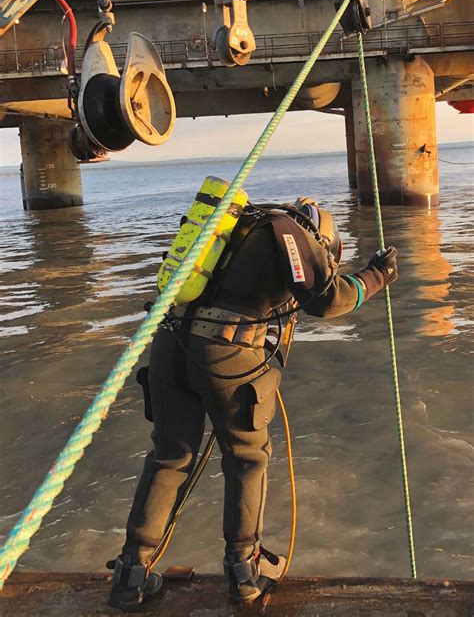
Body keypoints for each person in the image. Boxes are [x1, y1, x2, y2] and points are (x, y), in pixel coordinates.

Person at [108, 196, 398, 610]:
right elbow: (327, 299)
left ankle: (129, 575)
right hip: (223, 351)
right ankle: (244, 571)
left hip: (168, 346)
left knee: (170, 457)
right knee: (247, 458)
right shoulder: (292, 233)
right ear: (322, 236)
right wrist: (376, 276)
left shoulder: (242, 226)